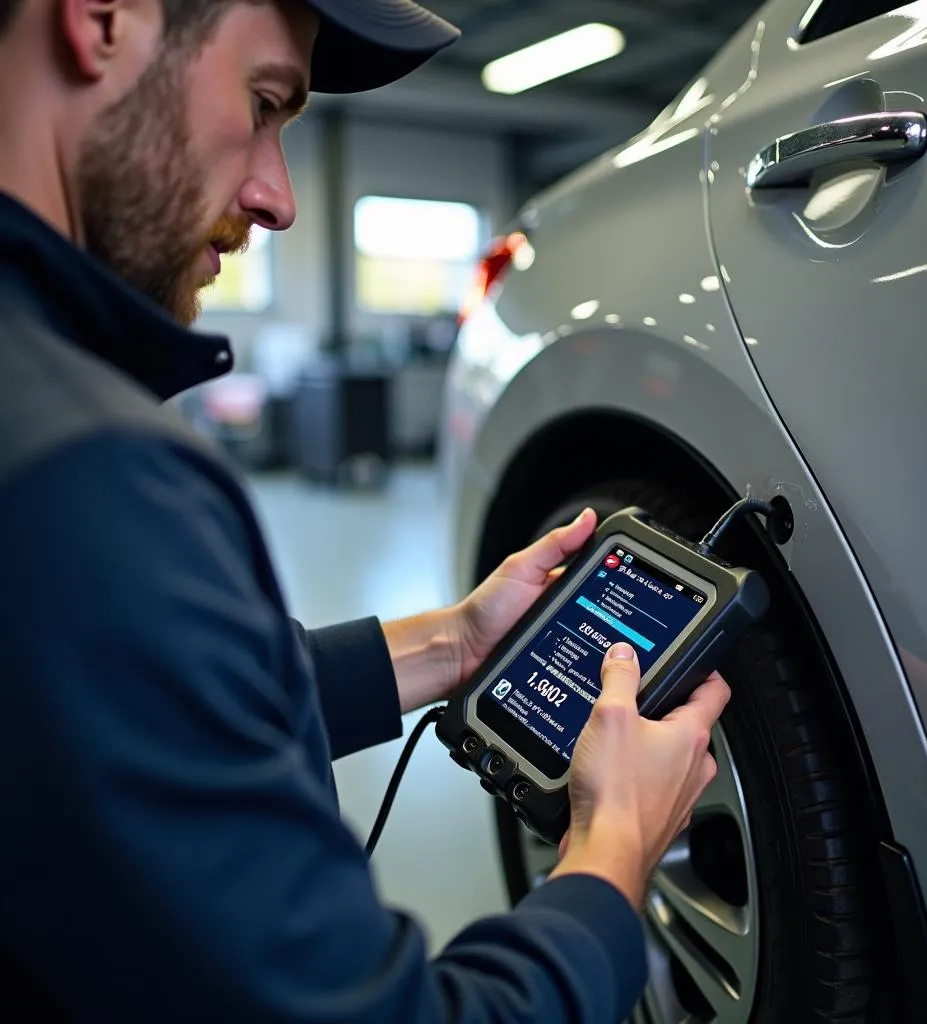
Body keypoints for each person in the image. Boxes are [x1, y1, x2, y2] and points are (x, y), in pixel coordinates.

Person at [0, 0, 732, 1020]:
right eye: (263, 103)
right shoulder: (87, 482)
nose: (278, 198)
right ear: (106, 17)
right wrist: (612, 853)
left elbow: (127, 694)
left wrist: (451, 643)